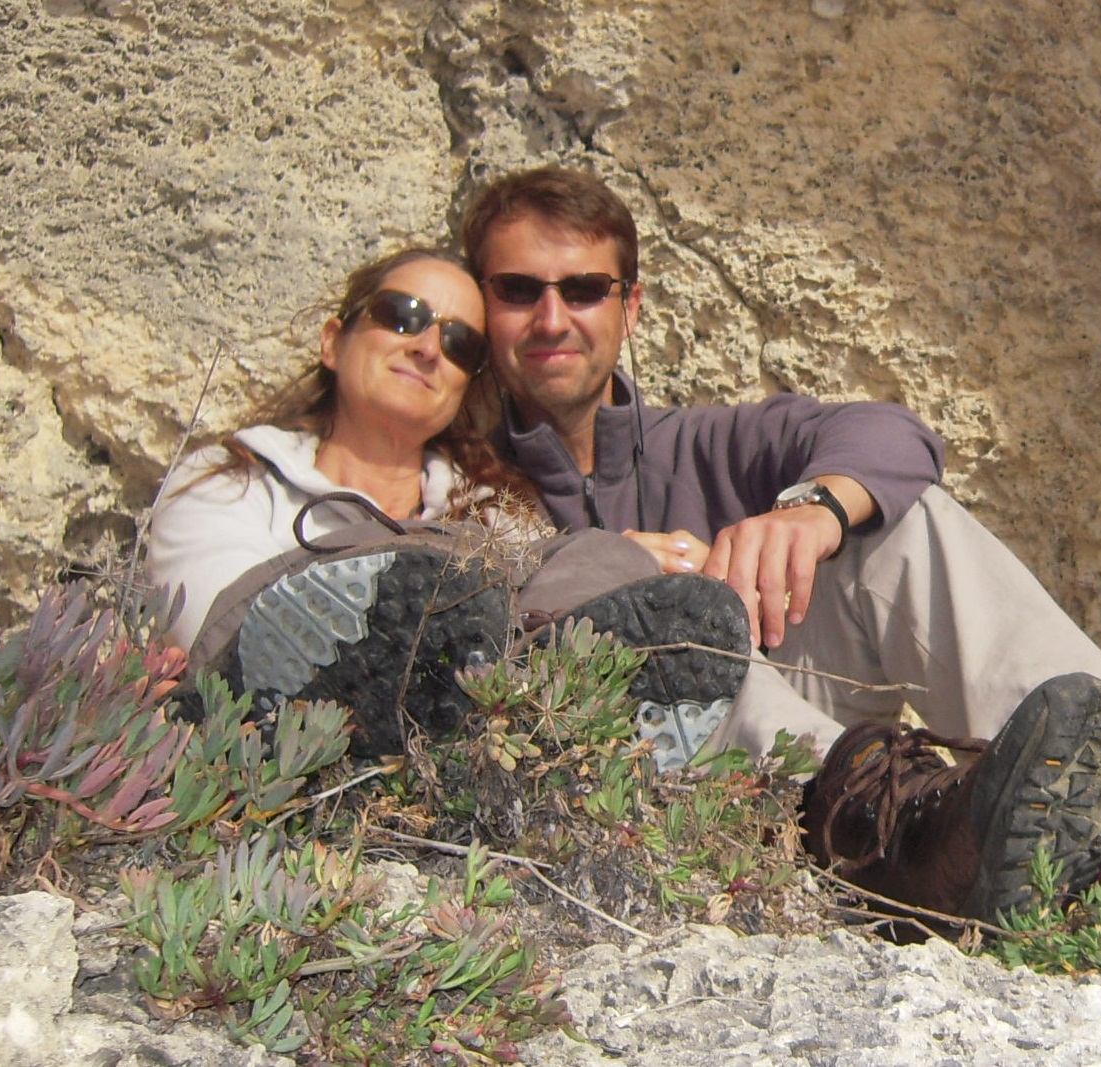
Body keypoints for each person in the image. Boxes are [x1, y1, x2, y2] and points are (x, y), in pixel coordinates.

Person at [458, 165, 1101, 923]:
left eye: (583, 289)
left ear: (630, 306)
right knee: (675, 622)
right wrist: (626, 565)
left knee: (899, 522)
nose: (552, 318)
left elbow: (893, 433)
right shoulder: (454, 477)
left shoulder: (703, 443)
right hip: (663, 784)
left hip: (792, 737)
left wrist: (810, 512)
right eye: (519, 290)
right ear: (482, 304)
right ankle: (896, 831)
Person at [145, 247, 754, 761]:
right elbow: (219, 635)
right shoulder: (232, 479)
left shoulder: (496, 510)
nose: (429, 348)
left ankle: (792, 769)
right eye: (402, 315)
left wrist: (625, 566)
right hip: (272, 746)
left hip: (475, 751)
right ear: (333, 341)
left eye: (460, 344)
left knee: (605, 564)